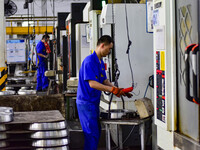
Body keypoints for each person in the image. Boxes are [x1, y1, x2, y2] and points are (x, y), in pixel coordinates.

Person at [76, 35, 132, 150]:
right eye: (109, 49)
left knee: (96, 133)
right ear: (102, 45)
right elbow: (93, 84)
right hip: (86, 103)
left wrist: (118, 89)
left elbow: (104, 80)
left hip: (93, 103)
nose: (109, 52)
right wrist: (112, 90)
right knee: (92, 134)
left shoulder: (100, 62)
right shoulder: (89, 61)